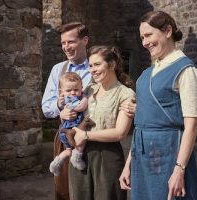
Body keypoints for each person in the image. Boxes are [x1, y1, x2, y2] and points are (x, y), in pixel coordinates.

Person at [119, 10, 197, 200]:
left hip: (169, 152)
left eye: (148, 35)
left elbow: (192, 126)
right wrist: (129, 163)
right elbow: (143, 121)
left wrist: (179, 170)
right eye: (142, 37)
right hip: (142, 153)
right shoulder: (146, 73)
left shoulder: (187, 71)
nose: (144, 42)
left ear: (167, 31)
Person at [68, 45, 135, 200]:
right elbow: (70, 110)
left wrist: (85, 135)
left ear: (111, 65)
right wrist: (64, 111)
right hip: (80, 156)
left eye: (97, 64)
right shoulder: (88, 90)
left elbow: (120, 133)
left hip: (107, 158)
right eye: (90, 65)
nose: (92, 69)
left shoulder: (125, 94)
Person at [41, 21, 91, 200]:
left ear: (84, 40)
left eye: (70, 42)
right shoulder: (58, 69)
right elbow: (46, 106)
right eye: (63, 43)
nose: (66, 47)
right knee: (64, 192)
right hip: (65, 138)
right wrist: (59, 110)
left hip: (93, 138)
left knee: (88, 192)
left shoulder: (97, 67)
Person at [49, 72, 89, 176]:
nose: (72, 93)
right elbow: (82, 107)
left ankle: (56, 163)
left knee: (68, 151)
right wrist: (80, 101)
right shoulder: (77, 99)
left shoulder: (65, 100)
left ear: (81, 87)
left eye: (76, 90)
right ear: (61, 91)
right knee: (82, 141)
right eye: (68, 90)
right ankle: (77, 158)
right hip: (73, 130)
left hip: (63, 130)